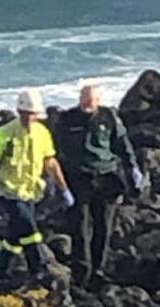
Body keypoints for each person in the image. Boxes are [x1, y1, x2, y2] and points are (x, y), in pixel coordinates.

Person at [0, 88, 74, 283]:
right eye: (26, 113)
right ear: (19, 111)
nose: (29, 118)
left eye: (33, 114)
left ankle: (1, 270)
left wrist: (63, 188)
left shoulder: (42, 133)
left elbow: (50, 162)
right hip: (8, 192)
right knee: (30, 229)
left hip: (31, 191)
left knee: (15, 234)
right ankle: (38, 268)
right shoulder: (3, 135)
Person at [55, 84, 145, 288]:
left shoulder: (109, 117)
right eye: (83, 100)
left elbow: (122, 143)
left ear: (98, 100)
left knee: (103, 226)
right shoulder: (67, 119)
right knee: (79, 227)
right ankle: (81, 270)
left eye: (90, 100)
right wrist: (55, 181)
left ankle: (98, 269)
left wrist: (132, 168)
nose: (86, 104)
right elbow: (54, 149)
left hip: (106, 178)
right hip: (78, 178)